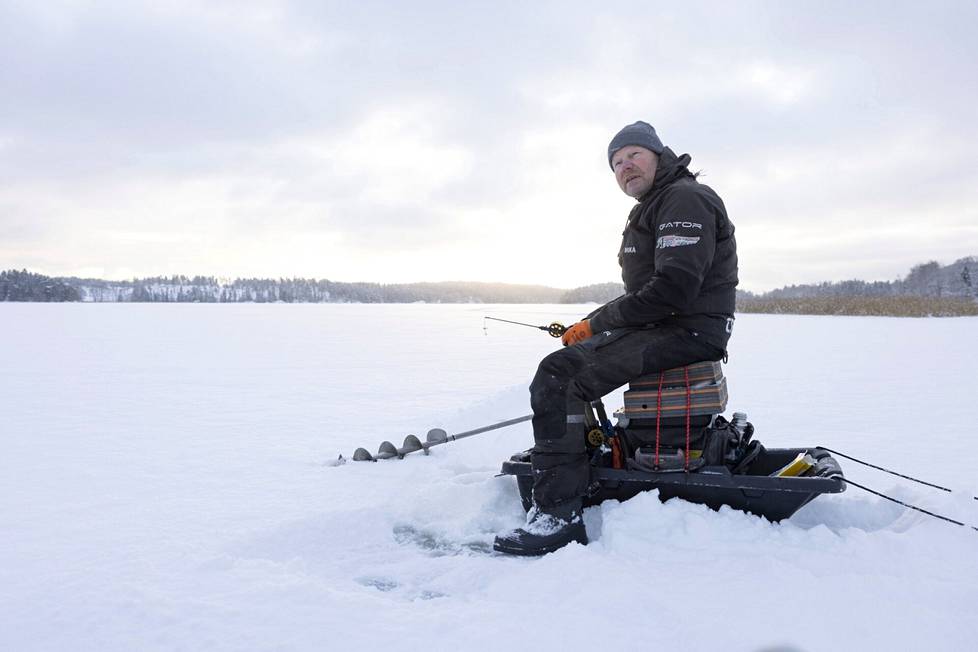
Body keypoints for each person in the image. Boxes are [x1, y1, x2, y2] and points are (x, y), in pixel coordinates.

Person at [493, 121, 739, 556]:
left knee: (560, 377)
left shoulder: (683, 197)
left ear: (658, 155)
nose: (625, 167)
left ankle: (559, 518)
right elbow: (646, 295)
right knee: (569, 362)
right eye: (617, 163)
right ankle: (579, 460)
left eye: (633, 155)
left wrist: (599, 323)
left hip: (686, 330)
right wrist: (592, 323)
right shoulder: (656, 202)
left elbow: (672, 290)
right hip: (669, 323)